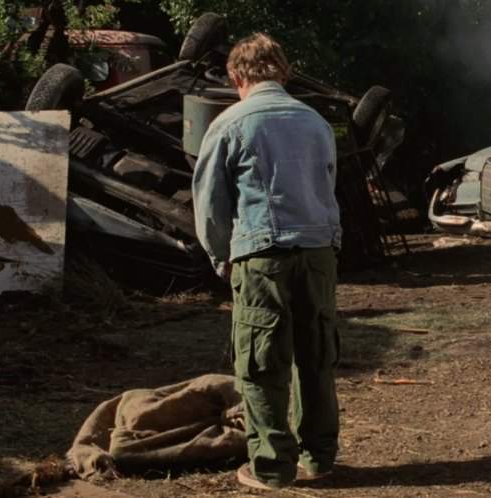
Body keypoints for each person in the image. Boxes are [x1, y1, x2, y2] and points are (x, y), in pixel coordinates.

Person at [192, 32, 341, 491]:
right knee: (315, 357)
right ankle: (320, 459)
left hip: (262, 253)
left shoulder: (231, 122)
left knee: (261, 363)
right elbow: (329, 186)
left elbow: (210, 204)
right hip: (318, 252)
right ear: (285, 72)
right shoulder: (315, 121)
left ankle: (272, 468)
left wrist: (222, 257)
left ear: (236, 76)